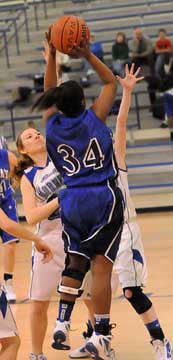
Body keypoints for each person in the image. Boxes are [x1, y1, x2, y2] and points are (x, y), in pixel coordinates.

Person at [32, 32, 125, 360]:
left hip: (72, 200)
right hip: (103, 195)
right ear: (83, 102)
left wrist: (53, 59)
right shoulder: (95, 116)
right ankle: (100, 334)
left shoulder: (52, 126)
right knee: (101, 268)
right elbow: (110, 82)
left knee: (76, 261)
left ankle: (62, 323)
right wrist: (85, 53)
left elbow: (47, 92)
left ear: (57, 104)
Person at [69, 64, 172, 360]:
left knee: (131, 292)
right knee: (92, 292)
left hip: (125, 230)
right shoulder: (85, 168)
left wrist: (125, 92)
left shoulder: (116, 158)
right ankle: (99, 342)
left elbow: (122, 124)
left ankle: (160, 342)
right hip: (98, 234)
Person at [15, 128, 65, 360]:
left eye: (37, 133)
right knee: (39, 302)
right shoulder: (28, 177)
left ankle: (94, 339)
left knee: (89, 294)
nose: (36, 136)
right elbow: (32, 216)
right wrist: (58, 200)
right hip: (49, 240)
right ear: (22, 150)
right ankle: (36, 354)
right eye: (29, 137)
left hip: (77, 233)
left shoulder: (63, 158)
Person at [0, 148, 53, 360]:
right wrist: (36, 238)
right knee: (12, 342)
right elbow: (6, 224)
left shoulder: (8, 157)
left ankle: (9, 282)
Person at [0, 136, 18, 303]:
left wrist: (12, 187)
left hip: (5, 201)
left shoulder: (5, 153)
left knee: (10, 244)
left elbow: (18, 172)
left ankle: (8, 283)